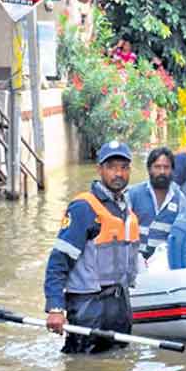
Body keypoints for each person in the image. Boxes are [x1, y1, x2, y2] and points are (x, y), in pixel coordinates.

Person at [43, 141, 144, 354]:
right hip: (88, 305)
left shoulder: (126, 209)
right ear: (100, 170)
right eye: (112, 167)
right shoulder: (84, 209)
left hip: (119, 304)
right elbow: (58, 261)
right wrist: (55, 308)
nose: (118, 173)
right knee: (82, 366)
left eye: (124, 167)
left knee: (119, 366)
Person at [128, 147, 186, 260]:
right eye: (157, 167)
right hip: (134, 260)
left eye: (166, 167)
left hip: (163, 263)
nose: (162, 172)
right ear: (149, 169)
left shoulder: (180, 199)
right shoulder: (133, 194)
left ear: (172, 170)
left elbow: (182, 236)